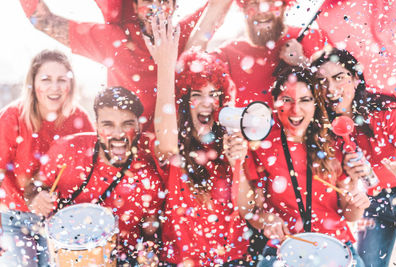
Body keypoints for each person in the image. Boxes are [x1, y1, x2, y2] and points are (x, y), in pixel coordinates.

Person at [20, 0, 228, 131]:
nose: (155, 8)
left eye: (164, 1)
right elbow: (43, 20)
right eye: (147, 1)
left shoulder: (184, 34)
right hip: (125, 154)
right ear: (135, 7)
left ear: (174, 7)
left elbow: (218, 6)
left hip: (176, 153)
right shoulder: (115, 40)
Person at [146, 11, 250, 265]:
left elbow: (246, 209)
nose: (207, 103)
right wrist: (167, 65)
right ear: (183, 101)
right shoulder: (172, 145)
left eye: (214, 94)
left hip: (232, 260)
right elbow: (169, 141)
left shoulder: (230, 140)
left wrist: (240, 162)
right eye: (197, 94)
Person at [242, 67, 369, 266]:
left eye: (305, 100)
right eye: (287, 99)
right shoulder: (262, 146)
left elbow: (349, 214)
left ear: (316, 103)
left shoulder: (335, 143)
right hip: (285, 247)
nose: (296, 110)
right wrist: (266, 219)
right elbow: (254, 211)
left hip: (335, 246)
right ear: (276, 103)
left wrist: (356, 202)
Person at [29, 86, 163, 265]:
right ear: (97, 125)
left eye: (127, 124)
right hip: (65, 256)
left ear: (138, 126)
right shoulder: (67, 150)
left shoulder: (148, 179)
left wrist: (149, 253)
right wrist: (37, 197)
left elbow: (150, 234)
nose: (118, 134)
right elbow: (33, 187)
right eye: (108, 124)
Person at [0, 49, 93, 266]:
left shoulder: (79, 119)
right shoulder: (12, 117)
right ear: (33, 83)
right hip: (15, 218)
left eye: (62, 80)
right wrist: (30, 200)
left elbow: (90, 171)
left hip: (62, 220)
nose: (55, 87)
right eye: (46, 79)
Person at [312, 47, 396, 267]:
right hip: (373, 205)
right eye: (322, 82)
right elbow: (348, 196)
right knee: (367, 263)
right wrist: (351, 180)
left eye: (339, 77)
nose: (330, 88)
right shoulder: (325, 133)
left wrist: (378, 172)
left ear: (356, 79)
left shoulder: (387, 112)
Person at [205, 0, 331, 107]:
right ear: (243, 8)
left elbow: (333, 96)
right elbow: (189, 67)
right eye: (254, 2)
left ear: (284, 5)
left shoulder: (311, 38)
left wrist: (302, 62)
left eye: (269, 1)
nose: (262, 11)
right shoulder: (228, 53)